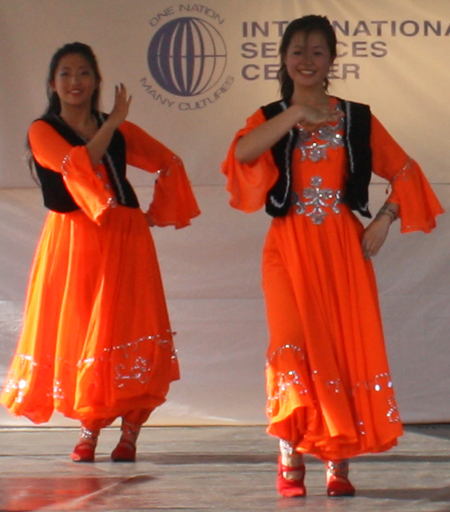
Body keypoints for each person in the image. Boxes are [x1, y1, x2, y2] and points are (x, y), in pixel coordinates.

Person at [222, 15, 443, 497]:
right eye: (297, 51)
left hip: (343, 249)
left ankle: (337, 457)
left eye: (317, 52)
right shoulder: (269, 116)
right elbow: (241, 154)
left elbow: (406, 171)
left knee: (340, 347)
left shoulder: (356, 117)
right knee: (290, 345)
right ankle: (289, 448)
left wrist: (384, 219)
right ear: (283, 58)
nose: (306, 60)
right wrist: (297, 116)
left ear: (331, 61)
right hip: (287, 246)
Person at [0, 42, 200, 463]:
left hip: (126, 238)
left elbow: (168, 162)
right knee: (87, 330)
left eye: (84, 73)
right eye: (66, 74)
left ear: (96, 81)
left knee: (129, 328)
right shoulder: (43, 130)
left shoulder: (116, 125)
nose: (76, 82)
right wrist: (114, 124)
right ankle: (89, 429)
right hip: (75, 240)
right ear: (53, 84)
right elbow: (78, 164)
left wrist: (152, 214)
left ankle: (130, 433)